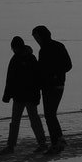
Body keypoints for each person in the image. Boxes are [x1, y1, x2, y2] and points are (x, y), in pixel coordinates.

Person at [1, 36, 48, 154]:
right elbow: (10, 79)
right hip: (18, 97)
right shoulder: (15, 59)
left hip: (30, 97)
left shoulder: (31, 59)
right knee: (15, 122)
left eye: (15, 47)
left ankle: (42, 144)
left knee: (34, 120)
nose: (14, 49)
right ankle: (10, 146)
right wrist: (7, 95)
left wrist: (37, 96)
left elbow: (37, 79)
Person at [32, 23, 72, 152]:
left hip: (55, 85)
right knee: (50, 115)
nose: (37, 40)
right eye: (35, 38)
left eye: (37, 37)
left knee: (50, 115)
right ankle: (58, 139)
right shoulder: (43, 49)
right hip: (48, 86)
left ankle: (56, 142)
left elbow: (68, 65)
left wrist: (55, 73)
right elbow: (40, 71)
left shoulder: (55, 47)